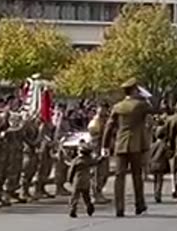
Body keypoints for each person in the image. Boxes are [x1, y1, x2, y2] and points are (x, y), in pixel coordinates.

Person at [102, 79, 152, 217]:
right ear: (135, 90)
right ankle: (139, 205)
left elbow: (109, 126)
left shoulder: (118, 106)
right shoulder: (141, 105)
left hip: (121, 144)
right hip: (137, 144)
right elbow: (153, 108)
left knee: (119, 177)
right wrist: (145, 95)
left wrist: (105, 145)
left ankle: (119, 208)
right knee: (137, 175)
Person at [66, 144, 97, 218]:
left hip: (77, 181)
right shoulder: (89, 160)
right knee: (86, 196)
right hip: (86, 181)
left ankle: (73, 209)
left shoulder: (76, 160)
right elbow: (96, 162)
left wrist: (69, 179)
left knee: (74, 196)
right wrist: (102, 158)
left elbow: (71, 171)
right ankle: (89, 207)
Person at [148, 126, 171, 203]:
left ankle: (155, 192)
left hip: (152, 164)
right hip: (161, 164)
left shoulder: (152, 145)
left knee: (155, 180)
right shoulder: (164, 145)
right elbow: (168, 155)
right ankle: (158, 194)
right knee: (159, 181)